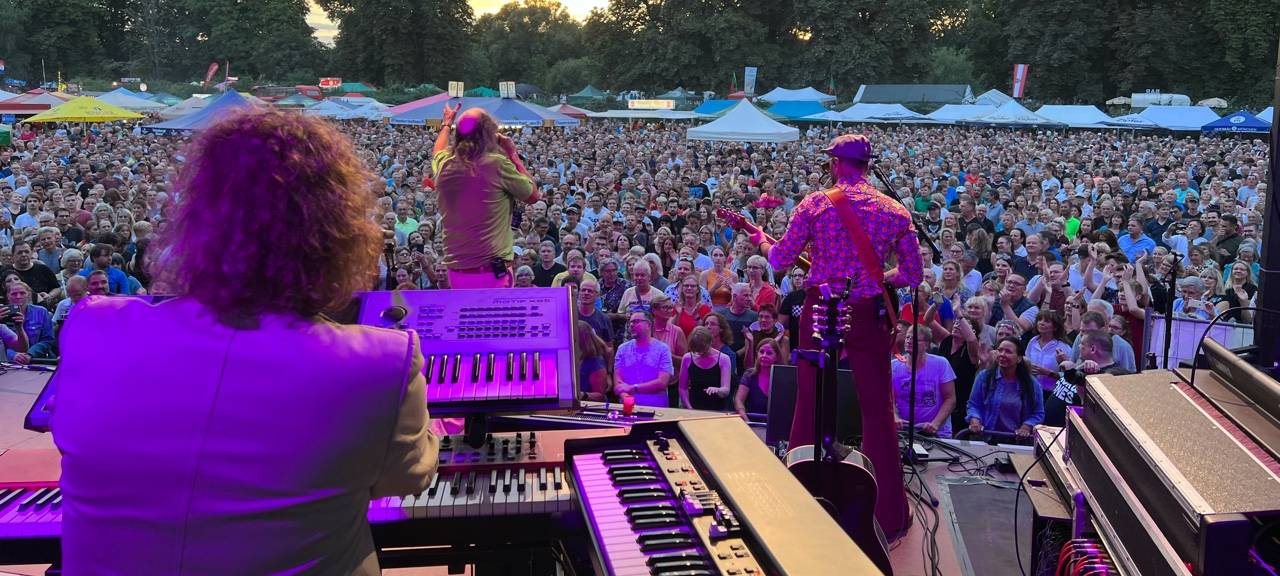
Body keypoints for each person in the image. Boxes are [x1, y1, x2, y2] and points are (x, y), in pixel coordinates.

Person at [51, 110, 439, 575]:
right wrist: (433, 431)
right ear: (338, 234)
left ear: (194, 214)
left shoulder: (94, 328)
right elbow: (409, 476)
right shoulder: (378, 363)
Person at [750, 134, 922, 536]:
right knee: (878, 409)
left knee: (808, 400)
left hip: (821, 308)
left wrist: (760, 236)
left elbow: (779, 258)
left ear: (835, 164)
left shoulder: (814, 204)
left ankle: (798, 501)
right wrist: (879, 278)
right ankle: (889, 515)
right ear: (867, 166)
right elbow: (912, 274)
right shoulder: (894, 211)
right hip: (868, 313)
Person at [432, 104, 538, 288]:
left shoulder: (445, 165)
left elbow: (437, 152)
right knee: (494, 317)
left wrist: (446, 124)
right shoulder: (496, 164)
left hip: (456, 272)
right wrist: (513, 155)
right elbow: (532, 196)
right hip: (491, 273)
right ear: (489, 134)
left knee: (464, 315)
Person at [966, 337, 1045, 440]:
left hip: (1014, 442)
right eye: (1000, 350)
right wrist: (975, 419)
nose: (1002, 354)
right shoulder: (984, 377)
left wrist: (1026, 426)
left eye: (1008, 351)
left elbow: (1038, 413)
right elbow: (974, 404)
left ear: (1019, 358)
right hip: (985, 437)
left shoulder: (1031, 384)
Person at [891, 323, 957, 438]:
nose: (909, 341)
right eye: (907, 337)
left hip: (936, 432)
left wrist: (935, 424)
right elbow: (889, 398)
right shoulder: (894, 366)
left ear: (926, 344)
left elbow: (950, 399)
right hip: (905, 431)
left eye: (915, 338)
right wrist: (895, 417)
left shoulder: (941, 364)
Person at [613, 309, 674, 407]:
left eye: (636, 322)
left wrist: (632, 388)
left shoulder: (662, 349)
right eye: (630, 322)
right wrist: (626, 397)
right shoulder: (622, 349)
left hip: (656, 409)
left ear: (649, 325)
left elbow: (662, 382)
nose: (632, 325)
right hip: (629, 407)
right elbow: (618, 381)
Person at [678, 326, 732, 411]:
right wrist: (689, 408)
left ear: (710, 342)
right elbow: (682, 388)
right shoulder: (687, 358)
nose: (701, 353)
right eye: (697, 350)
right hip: (694, 408)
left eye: (703, 349)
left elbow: (726, 390)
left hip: (717, 410)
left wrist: (717, 390)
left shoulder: (723, 359)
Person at [735, 338, 780, 420]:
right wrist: (743, 415)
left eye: (769, 353)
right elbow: (739, 400)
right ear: (757, 354)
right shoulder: (749, 374)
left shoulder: (783, 377)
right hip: (752, 422)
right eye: (761, 352)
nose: (764, 355)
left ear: (777, 357)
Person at [575, 320, 611, 401]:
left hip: (590, 407)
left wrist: (582, 395)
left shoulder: (596, 363)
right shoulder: (571, 357)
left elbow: (600, 395)